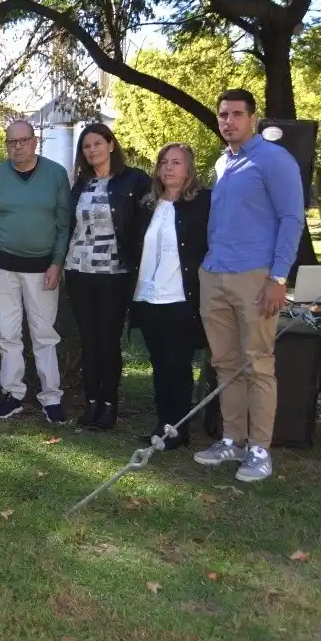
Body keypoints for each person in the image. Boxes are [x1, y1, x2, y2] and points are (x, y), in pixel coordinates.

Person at [193, 89, 304, 482]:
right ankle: (232, 440)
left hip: (256, 277)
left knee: (258, 363)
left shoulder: (274, 159)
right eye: (223, 114)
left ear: (253, 118)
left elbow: (292, 218)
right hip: (215, 273)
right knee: (225, 364)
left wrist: (278, 278)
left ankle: (259, 450)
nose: (228, 121)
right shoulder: (222, 163)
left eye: (237, 114)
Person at [0, 119, 72, 423]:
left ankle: (51, 399)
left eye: (23, 140)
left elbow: (64, 224)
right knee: (8, 334)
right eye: (11, 142)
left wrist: (57, 262)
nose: (18, 147)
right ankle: (12, 394)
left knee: (44, 334)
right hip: (2, 269)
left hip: (43, 270)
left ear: (35, 141)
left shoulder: (55, 175)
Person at [65, 123, 151, 431]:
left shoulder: (134, 181)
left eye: (97, 144)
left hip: (114, 274)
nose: (92, 150)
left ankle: (109, 404)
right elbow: (70, 228)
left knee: (107, 340)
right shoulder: (80, 186)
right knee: (88, 340)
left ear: (111, 145)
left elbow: (145, 226)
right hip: (78, 271)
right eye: (86, 146)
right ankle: (91, 404)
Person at [128, 143, 211, 450]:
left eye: (176, 162)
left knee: (178, 364)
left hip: (180, 298)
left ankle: (178, 429)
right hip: (148, 297)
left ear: (189, 169)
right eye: (164, 162)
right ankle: (163, 423)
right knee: (160, 365)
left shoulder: (202, 203)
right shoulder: (148, 205)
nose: (169, 168)